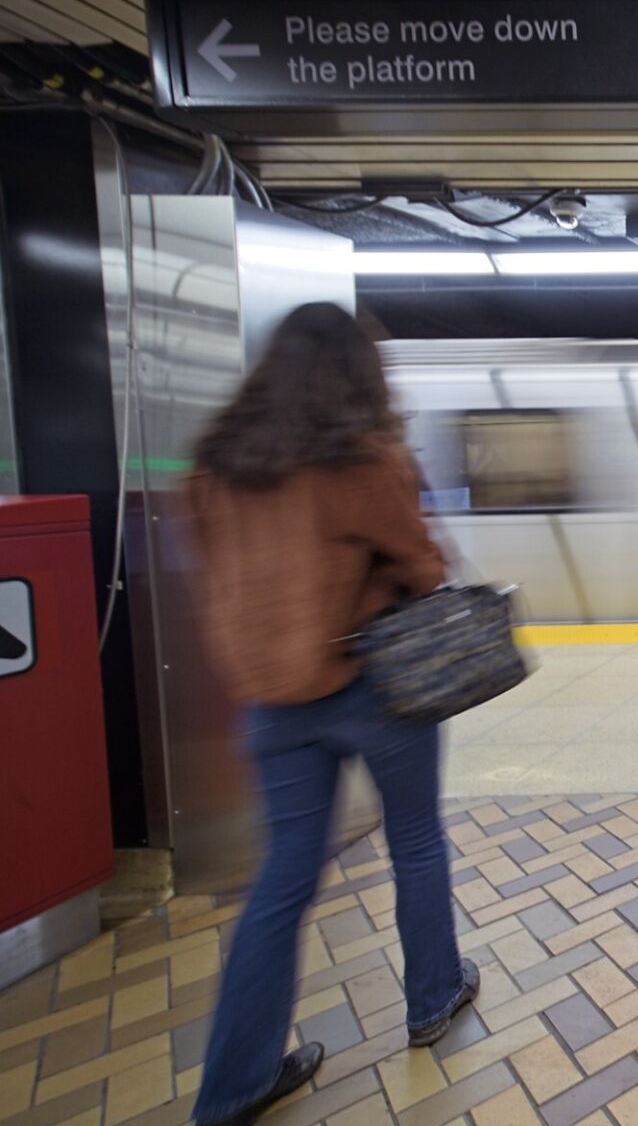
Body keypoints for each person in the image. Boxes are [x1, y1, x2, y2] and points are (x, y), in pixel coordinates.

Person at [187, 304, 478, 1126]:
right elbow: (424, 564)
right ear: (358, 372)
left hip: (270, 705)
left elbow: (219, 580)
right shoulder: (359, 459)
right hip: (374, 688)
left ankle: (235, 1083)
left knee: (281, 882)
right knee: (415, 842)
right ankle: (432, 999)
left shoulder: (213, 467)